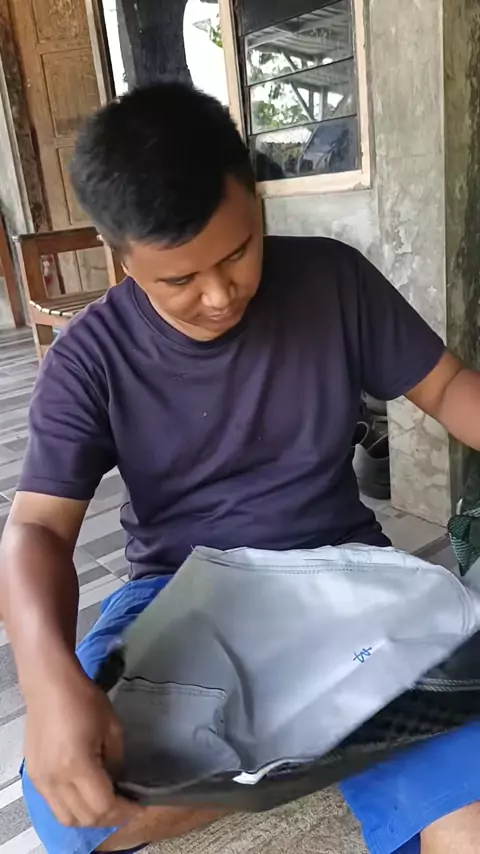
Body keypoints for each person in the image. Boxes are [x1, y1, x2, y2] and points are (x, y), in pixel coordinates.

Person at [2, 81, 480, 854]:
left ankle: (310, 738)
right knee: (71, 803)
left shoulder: (332, 279)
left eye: (238, 252)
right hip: (182, 592)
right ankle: (344, 732)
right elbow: (37, 531)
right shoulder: (89, 359)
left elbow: (450, 388)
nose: (221, 295)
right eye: (179, 281)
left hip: (344, 576)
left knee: (469, 817)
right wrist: (45, 682)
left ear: (256, 202)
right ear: (121, 257)